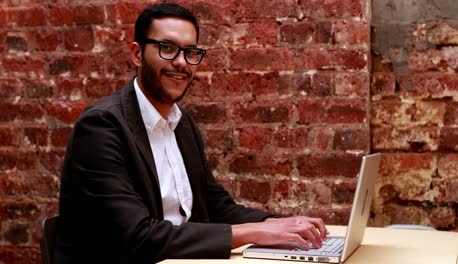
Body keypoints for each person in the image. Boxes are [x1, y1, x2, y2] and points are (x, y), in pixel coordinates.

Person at [54, 3, 327, 264]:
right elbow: (137, 236)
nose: (182, 62)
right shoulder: (101, 127)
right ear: (137, 54)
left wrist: (275, 223)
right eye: (168, 48)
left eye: (191, 52)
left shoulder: (181, 123)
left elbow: (214, 204)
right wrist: (254, 233)